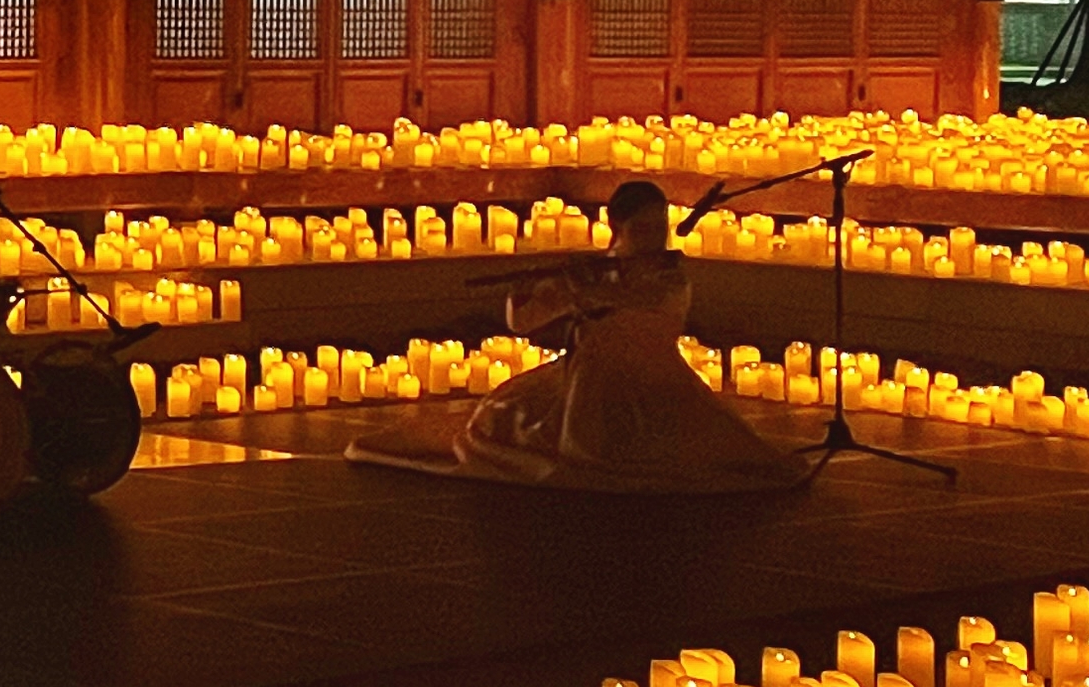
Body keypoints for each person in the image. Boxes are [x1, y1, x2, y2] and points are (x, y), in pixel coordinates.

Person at [346, 179, 814, 492]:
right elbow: (523, 323)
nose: (654, 238)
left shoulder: (670, 277)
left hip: (655, 381)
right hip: (586, 380)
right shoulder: (590, 271)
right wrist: (532, 290)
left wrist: (588, 290)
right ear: (618, 228)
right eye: (642, 229)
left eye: (660, 228)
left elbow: (653, 310)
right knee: (496, 419)